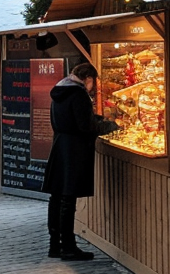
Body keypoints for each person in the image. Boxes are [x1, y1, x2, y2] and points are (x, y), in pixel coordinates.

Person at [42, 62, 117, 261]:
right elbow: (86, 126)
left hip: (60, 147)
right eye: (94, 82)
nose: (93, 88)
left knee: (57, 197)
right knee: (68, 198)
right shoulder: (79, 94)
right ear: (89, 79)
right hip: (74, 151)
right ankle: (68, 246)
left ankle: (54, 244)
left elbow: (65, 120)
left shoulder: (59, 91)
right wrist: (108, 125)